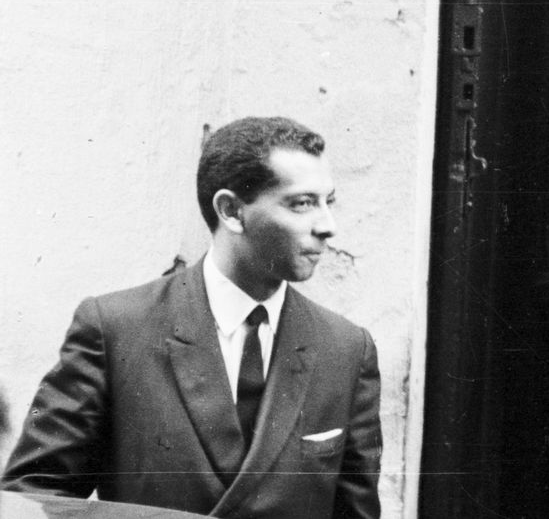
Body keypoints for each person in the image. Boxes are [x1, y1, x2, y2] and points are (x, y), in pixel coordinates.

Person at [2, 117, 382, 519]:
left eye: (329, 201)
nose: (328, 226)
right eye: (302, 203)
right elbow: (34, 499)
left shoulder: (345, 349)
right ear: (231, 211)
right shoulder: (117, 330)